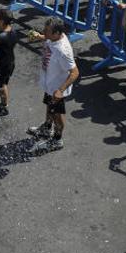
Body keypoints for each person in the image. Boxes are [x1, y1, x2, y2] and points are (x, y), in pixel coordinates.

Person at [27, 18, 79, 152]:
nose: (44, 32)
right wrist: (40, 37)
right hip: (50, 83)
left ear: (56, 33)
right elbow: (48, 38)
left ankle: (57, 139)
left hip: (57, 87)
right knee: (49, 106)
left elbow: (75, 72)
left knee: (57, 114)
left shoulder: (63, 51)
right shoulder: (54, 38)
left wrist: (60, 90)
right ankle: (46, 128)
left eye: (46, 31)